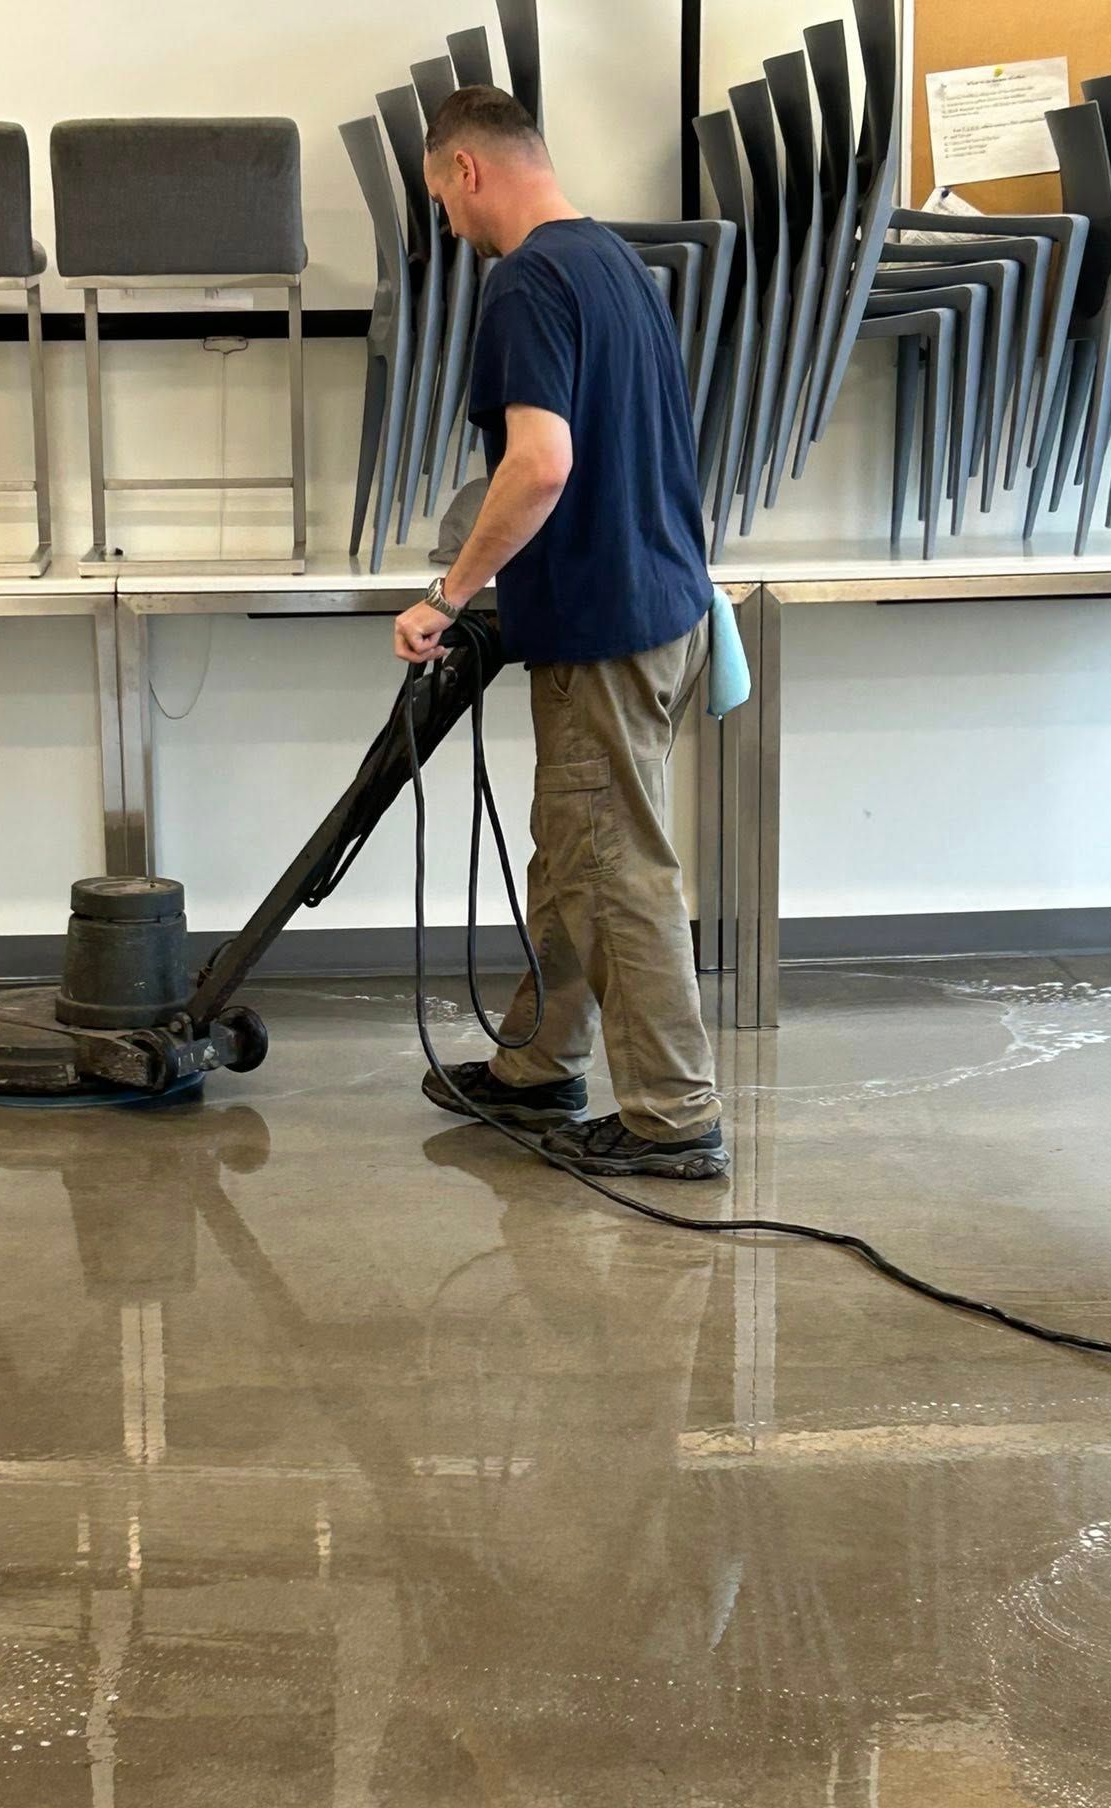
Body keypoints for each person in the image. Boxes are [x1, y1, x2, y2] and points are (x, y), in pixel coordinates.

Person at [394, 85, 727, 1182]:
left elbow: (539, 464)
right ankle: (540, 1062)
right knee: (576, 849)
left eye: (443, 196)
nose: (449, 224)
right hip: (662, 608)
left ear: (469, 171)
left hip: (605, 625)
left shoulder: (527, 282)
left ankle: (673, 1116)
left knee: (617, 864)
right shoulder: (615, 264)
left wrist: (447, 593)